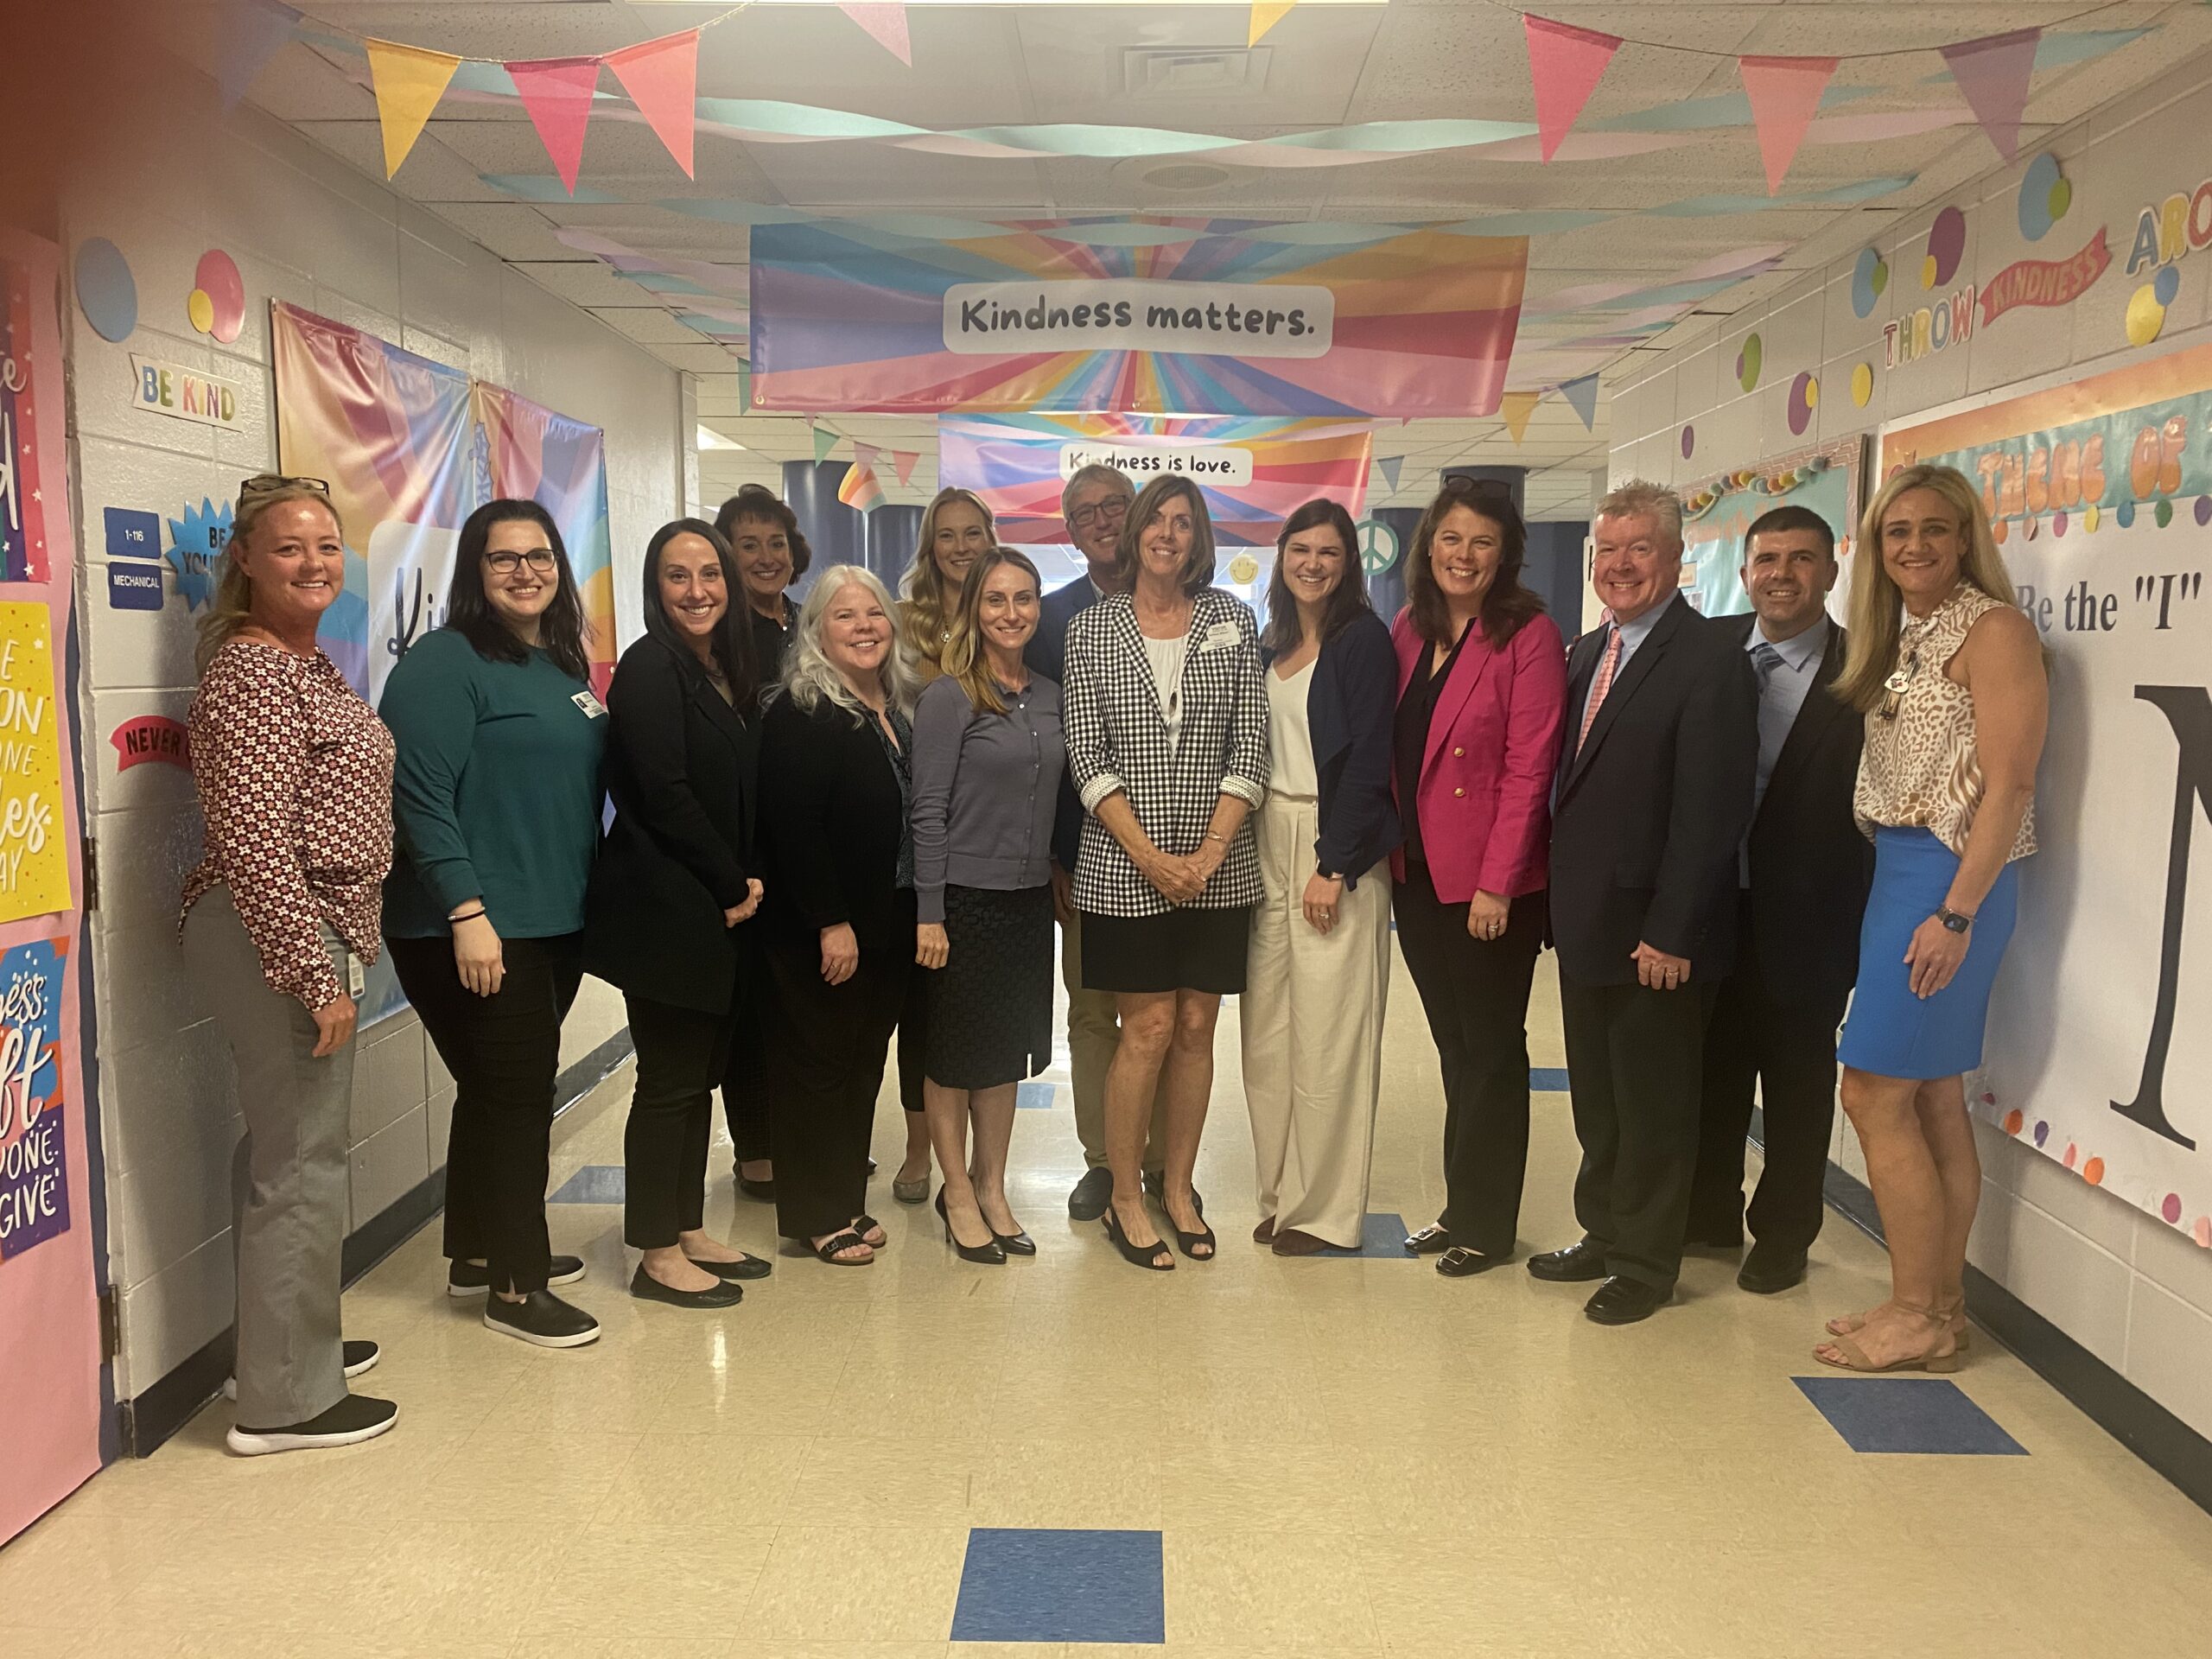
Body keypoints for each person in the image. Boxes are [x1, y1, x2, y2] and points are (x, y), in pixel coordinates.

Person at [180, 475, 397, 1454]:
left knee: (286, 1149)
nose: (313, 563)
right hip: (282, 929)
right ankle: (285, 1405)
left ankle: (278, 1352)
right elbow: (255, 841)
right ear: (245, 560)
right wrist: (312, 973)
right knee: (304, 1159)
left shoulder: (304, 663)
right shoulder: (253, 673)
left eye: (326, 545)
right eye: (287, 547)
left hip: (305, 925)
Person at [1815, 464, 2044, 1374]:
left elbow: (2011, 783)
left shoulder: (1995, 630)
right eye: (1896, 531)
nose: (1914, 546)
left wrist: (1954, 915)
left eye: (1933, 529)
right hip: (1901, 871)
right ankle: (1938, 1306)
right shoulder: (1904, 635)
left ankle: (1913, 1313)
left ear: (1964, 538)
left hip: (1951, 882)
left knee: (1871, 1094)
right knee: (1933, 1097)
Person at [381, 499, 607, 1348]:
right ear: (475, 571)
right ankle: (517, 1285)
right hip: (472, 925)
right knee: (518, 1099)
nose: (525, 571)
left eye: (539, 555)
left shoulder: (556, 665)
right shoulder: (444, 663)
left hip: (550, 920)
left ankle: (479, 1252)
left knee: (496, 1091)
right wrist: (467, 911)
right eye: (503, 558)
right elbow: (419, 797)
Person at [1533, 481, 1758, 1325]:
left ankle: (1647, 1263)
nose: (1620, 565)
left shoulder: (1709, 660)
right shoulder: (1588, 653)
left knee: (1654, 1103)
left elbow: (1711, 813)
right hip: (1588, 923)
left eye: (1639, 549)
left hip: (1655, 937)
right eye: (1608, 550)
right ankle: (1604, 1231)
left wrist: (1672, 931)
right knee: (1599, 1098)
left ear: (1675, 558)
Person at [1063, 475, 1268, 1270]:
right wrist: (1151, 858)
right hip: (1124, 871)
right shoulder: (1092, 629)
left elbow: (1251, 744)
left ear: (1198, 539)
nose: (1168, 534)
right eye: (1156, 519)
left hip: (1220, 868)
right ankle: (1125, 1194)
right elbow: (1087, 756)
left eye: (1184, 522)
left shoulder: (1231, 620)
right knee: (1144, 1030)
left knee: (1194, 1029)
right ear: (1135, 531)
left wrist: (1210, 854)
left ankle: (1178, 1188)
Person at [586, 520, 774, 1311]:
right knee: (668, 1081)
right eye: (677, 576)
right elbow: (664, 794)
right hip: (668, 909)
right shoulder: (648, 669)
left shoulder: (716, 667)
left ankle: (687, 1227)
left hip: (714, 906)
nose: (696, 591)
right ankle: (655, 1251)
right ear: (654, 588)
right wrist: (732, 883)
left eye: (709, 574)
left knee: (698, 1079)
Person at [1686, 506, 1870, 1295]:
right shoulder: (1707, 651)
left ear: (1830, 571)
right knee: (1711, 1069)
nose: (1782, 574)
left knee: (1796, 1084)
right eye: (1767, 560)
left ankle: (1785, 1236)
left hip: (1810, 915)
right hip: (1710, 908)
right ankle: (1708, 1214)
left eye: (1801, 559)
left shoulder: (1867, 669)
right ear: (1745, 572)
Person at [1389, 479, 1567, 1279]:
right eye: (1452, 538)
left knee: (1491, 1051)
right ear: (1429, 545)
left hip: (1489, 885)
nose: (1464, 555)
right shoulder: (1408, 628)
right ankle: (1461, 1206)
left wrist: (1498, 883)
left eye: (1483, 542)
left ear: (1506, 555)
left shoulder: (1527, 635)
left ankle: (1488, 1226)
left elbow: (1531, 769)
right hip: (1418, 874)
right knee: (1453, 1047)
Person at [1239, 499, 1398, 1255]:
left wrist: (1333, 864)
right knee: (1268, 1034)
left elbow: (1369, 759)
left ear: (1348, 562)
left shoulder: (1362, 640)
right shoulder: (1270, 642)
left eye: (1329, 552)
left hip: (1333, 843)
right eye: (1299, 548)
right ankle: (1280, 1194)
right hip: (1267, 835)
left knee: (1331, 1034)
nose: (1312, 563)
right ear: (1281, 556)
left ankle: (1327, 1214)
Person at [757, 565, 919, 1265]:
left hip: (888, 919)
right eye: (845, 615)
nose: (864, 627)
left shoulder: (895, 706)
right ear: (816, 630)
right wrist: (830, 920)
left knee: (860, 1064)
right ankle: (814, 1214)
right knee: (817, 1068)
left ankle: (845, 1197)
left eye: (874, 613)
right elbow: (792, 829)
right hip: (826, 929)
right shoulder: (803, 712)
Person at [1027, 463, 1171, 1223]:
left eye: (1116, 505)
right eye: (1086, 513)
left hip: (1178, 856)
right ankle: (1103, 1161)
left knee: (1165, 1019)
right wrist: (1057, 853)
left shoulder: (1181, 605)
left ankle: (1161, 1165)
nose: (1104, 521)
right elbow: (1051, 750)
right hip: (1087, 853)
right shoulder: (1050, 619)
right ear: (1070, 531)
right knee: (1092, 1015)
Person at [912, 549, 1064, 1264]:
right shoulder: (950, 697)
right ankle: (957, 1192)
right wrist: (930, 911)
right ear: (974, 607)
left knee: (1003, 1053)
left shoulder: (1050, 694)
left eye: (1024, 598)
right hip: (962, 902)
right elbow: (927, 810)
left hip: (1027, 901)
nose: (1011, 612)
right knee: (952, 1054)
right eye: (996, 599)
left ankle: (992, 1185)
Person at [887, 486, 999, 1204]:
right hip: (912, 831)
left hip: (986, 838)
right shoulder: (903, 624)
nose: (961, 547)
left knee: (977, 1006)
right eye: (947, 535)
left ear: (991, 538)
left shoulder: (1007, 615)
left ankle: (982, 1161)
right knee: (920, 1003)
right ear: (930, 546)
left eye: (972, 533)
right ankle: (918, 1145)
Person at [712, 485, 813, 1199]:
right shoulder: (721, 635)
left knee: (800, 999)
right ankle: (756, 1150)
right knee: (751, 1002)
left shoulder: (809, 625)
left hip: (806, 837)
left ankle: (802, 1133)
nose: (765, 556)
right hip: (747, 840)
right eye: (747, 545)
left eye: (775, 543)